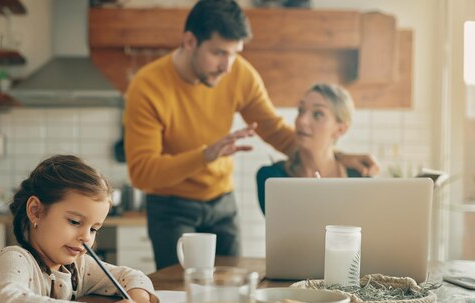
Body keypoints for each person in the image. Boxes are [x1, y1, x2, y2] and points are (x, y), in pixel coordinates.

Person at [123, 0, 379, 270]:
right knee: (178, 292)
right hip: (170, 208)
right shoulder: (147, 86)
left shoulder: (240, 75)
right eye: (219, 53)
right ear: (189, 41)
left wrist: (338, 156)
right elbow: (142, 173)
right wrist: (206, 155)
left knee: (230, 286)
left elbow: (278, 132)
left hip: (223, 203)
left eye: (234, 53)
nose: (227, 66)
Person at [0, 155, 165, 303]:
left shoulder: (79, 267)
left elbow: (130, 276)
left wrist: (139, 300)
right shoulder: (16, 259)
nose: (86, 238)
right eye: (74, 221)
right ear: (35, 211)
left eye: (94, 229)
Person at [256, 83, 364, 214]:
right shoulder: (272, 178)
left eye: (318, 114)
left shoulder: (361, 180)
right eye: (300, 110)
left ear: (340, 129)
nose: (302, 121)